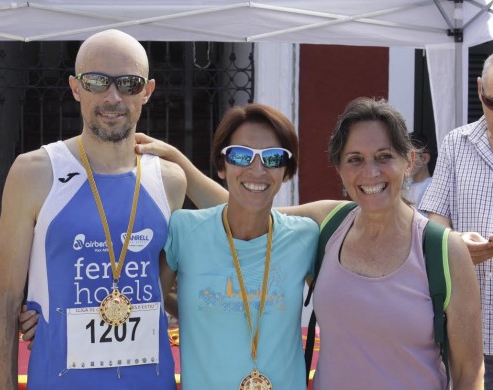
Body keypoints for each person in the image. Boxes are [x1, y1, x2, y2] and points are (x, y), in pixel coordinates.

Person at [136, 97, 484, 388]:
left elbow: (470, 372)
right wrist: (179, 160)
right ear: (339, 169)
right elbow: (246, 204)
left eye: (384, 156)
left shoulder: (441, 250)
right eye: (355, 160)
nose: (370, 172)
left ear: (409, 162)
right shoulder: (329, 224)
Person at [0, 29, 186, 390]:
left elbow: (159, 289)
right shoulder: (34, 172)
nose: (112, 97)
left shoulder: (171, 181)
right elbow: (4, 300)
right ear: (76, 87)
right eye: (97, 81)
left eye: (128, 83)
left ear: (147, 91)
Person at [162, 103, 320, 388]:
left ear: (286, 171)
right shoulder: (184, 230)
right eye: (241, 156)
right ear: (221, 166)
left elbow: (341, 307)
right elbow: (147, 301)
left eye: (273, 158)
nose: (257, 169)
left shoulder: (305, 237)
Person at [420, 53, 493, 387]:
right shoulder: (456, 143)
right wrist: (454, 244)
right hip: (467, 331)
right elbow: (435, 225)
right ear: (479, 90)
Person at [403, 132, 432, 211]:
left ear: (424, 158)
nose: (405, 163)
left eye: (409, 157)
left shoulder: (433, 188)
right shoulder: (402, 186)